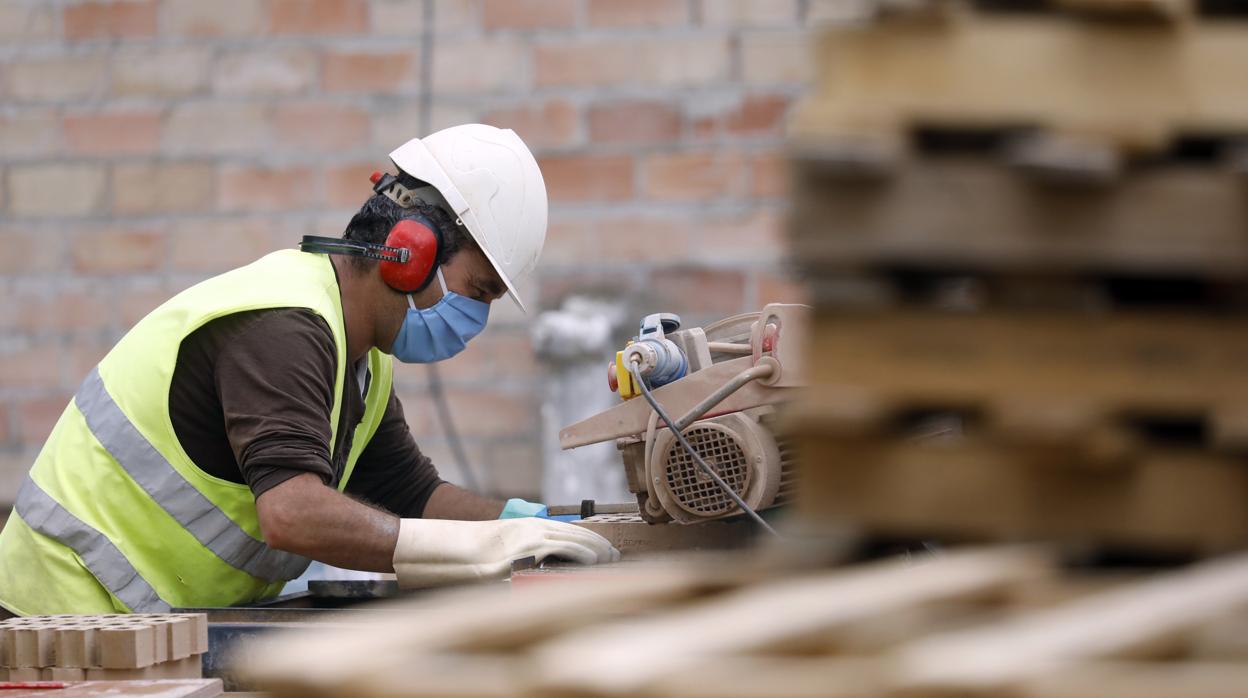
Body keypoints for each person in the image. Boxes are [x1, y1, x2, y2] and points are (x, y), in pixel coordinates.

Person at [0, 124, 617, 616]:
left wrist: (531, 526)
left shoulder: (362, 362)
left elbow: (414, 496)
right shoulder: (285, 326)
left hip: (142, 627)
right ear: (409, 253)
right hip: (60, 617)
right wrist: (479, 549)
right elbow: (292, 513)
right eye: (478, 292)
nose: (476, 318)